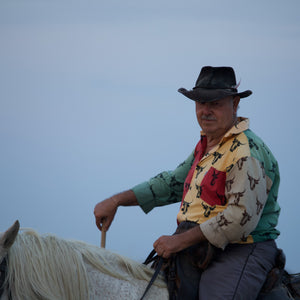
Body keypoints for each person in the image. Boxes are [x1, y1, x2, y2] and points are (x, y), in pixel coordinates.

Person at [94, 66, 281, 299]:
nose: (206, 111)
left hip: (241, 248)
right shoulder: (209, 144)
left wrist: (179, 241)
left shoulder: (245, 151)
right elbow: (174, 182)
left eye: (215, 103)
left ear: (234, 104)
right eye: (200, 103)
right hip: (200, 246)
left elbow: (239, 218)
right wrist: (116, 200)